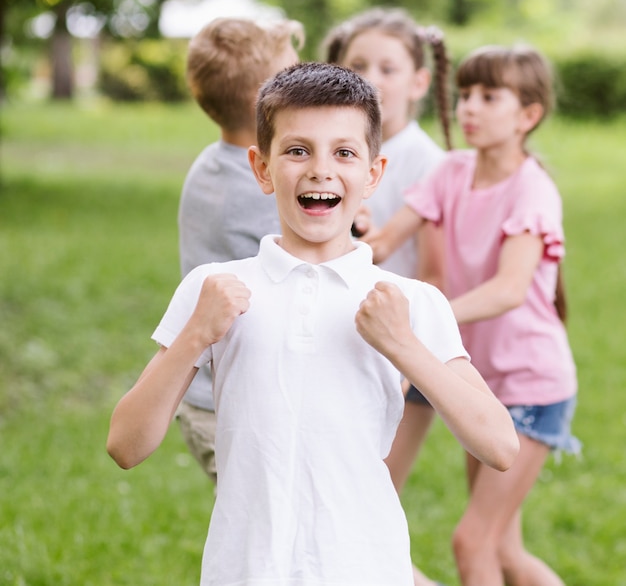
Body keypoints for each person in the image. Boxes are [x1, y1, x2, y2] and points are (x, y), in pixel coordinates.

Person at [107, 62, 519, 586]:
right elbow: (126, 444)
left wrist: (404, 347)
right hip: (244, 572)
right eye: (297, 150)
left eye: (344, 152)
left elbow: (500, 446)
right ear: (261, 168)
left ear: (373, 174)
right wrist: (194, 336)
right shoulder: (214, 290)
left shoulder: (411, 303)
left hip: (366, 569)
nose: (321, 169)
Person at [362, 46, 580, 586]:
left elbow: (508, 290)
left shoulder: (533, 189)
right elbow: (386, 240)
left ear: (528, 115)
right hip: (482, 385)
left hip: (531, 385)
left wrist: (426, 318)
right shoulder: (451, 172)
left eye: (488, 96)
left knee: (473, 541)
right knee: (503, 549)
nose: (469, 108)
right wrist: (345, 220)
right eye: (463, 95)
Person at [322, 8, 453, 586]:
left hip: (402, 358)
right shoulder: (334, 151)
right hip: (344, 348)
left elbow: (435, 279)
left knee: (362, 518)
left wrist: (401, 368)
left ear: (419, 82)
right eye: (358, 65)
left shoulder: (429, 163)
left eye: (388, 67)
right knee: (343, 521)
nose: (372, 78)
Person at [176, 16, 303, 483]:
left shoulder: (213, 164)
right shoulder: (260, 190)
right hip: (238, 410)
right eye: (294, 76)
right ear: (265, 103)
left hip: (215, 398)